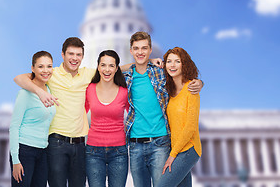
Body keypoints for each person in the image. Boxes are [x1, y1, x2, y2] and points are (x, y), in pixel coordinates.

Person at [13, 37, 161, 187]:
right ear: (62, 55)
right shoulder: (52, 74)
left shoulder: (88, 75)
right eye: (71, 54)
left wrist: (147, 61)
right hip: (56, 142)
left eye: (78, 55)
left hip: (81, 144)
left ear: (83, 57)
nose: (74, 58)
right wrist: (40, 92)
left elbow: (115, 68)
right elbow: (19, 78)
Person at [124, 32, 203, 187]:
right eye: (136, 48)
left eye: (144, 48)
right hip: (137, 145)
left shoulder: (165, 76)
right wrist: (146, 61)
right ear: (131, 51)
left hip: (167, 145)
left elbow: (190, 126)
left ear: (151, 49)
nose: (140, 52)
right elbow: (107, 69)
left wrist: (200, 82)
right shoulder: (129, 77)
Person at [156, 47, 201, 187]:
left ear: (184, 64)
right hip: (176, 148)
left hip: (188, 149)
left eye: (177, 61)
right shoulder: (169, 91)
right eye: (169, 61)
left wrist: (172, 155)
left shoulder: (191, 89)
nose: (172, 65)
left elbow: (190, 127)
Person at [9, 51, 56, 187]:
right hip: (24, 151)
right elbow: (14, 126)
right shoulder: (24, 94)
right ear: (32, 69)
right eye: (41, 67)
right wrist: (15, 160)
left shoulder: (49, 89)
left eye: (49, 66)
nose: (45, 71)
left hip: (43, 152)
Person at [85, 50, 129, 187]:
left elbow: (136, 116)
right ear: (98, 67)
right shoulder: (89, 89)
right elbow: (79, 113)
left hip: (119, 152)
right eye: (103, 65)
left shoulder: (124, 91)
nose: (107, 69)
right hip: (93, 151)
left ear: (117, 68)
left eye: (111, 66)